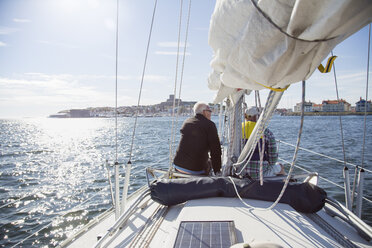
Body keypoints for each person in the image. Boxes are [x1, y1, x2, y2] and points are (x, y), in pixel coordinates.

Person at [173, 102, 222, 175]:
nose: (211, 113)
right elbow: (215, 151)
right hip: (196, 170)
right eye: (210, 111)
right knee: (209, 162)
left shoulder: (187, 122)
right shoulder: (210, 125)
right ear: (204, 112)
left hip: (178, 166)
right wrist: (217, 171)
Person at [239, 107, 285, 179]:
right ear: (257, 117)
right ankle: (284, 186)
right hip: (261, 173)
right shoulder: (266, 132)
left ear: (245, 116)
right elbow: (273, 160)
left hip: (240, 172)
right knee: (280, 166)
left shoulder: (237, 131)